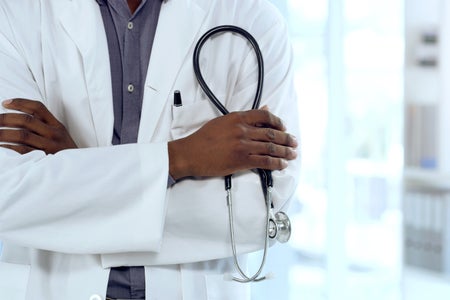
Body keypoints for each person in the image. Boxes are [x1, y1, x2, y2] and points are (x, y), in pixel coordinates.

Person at [0, 0, 300, 299]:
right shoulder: (14, 16)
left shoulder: (254, 20)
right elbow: (8, 194)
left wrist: (77, 171)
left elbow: (259, 211)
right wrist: (182, 157)